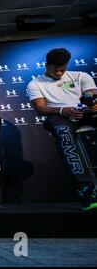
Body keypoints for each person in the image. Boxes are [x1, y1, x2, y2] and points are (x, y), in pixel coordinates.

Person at [27, 48, 97, 211]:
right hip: (58, 116)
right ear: (46, 65)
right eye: (55, 70)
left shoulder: (81, 76)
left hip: (84, 113)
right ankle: (85, 189)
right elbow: (41, 108)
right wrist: (62, 110)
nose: (59, 73)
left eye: (62, 69)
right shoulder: (35, 83)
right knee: (64, 133)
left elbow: (91, 95)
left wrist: (93, 104)